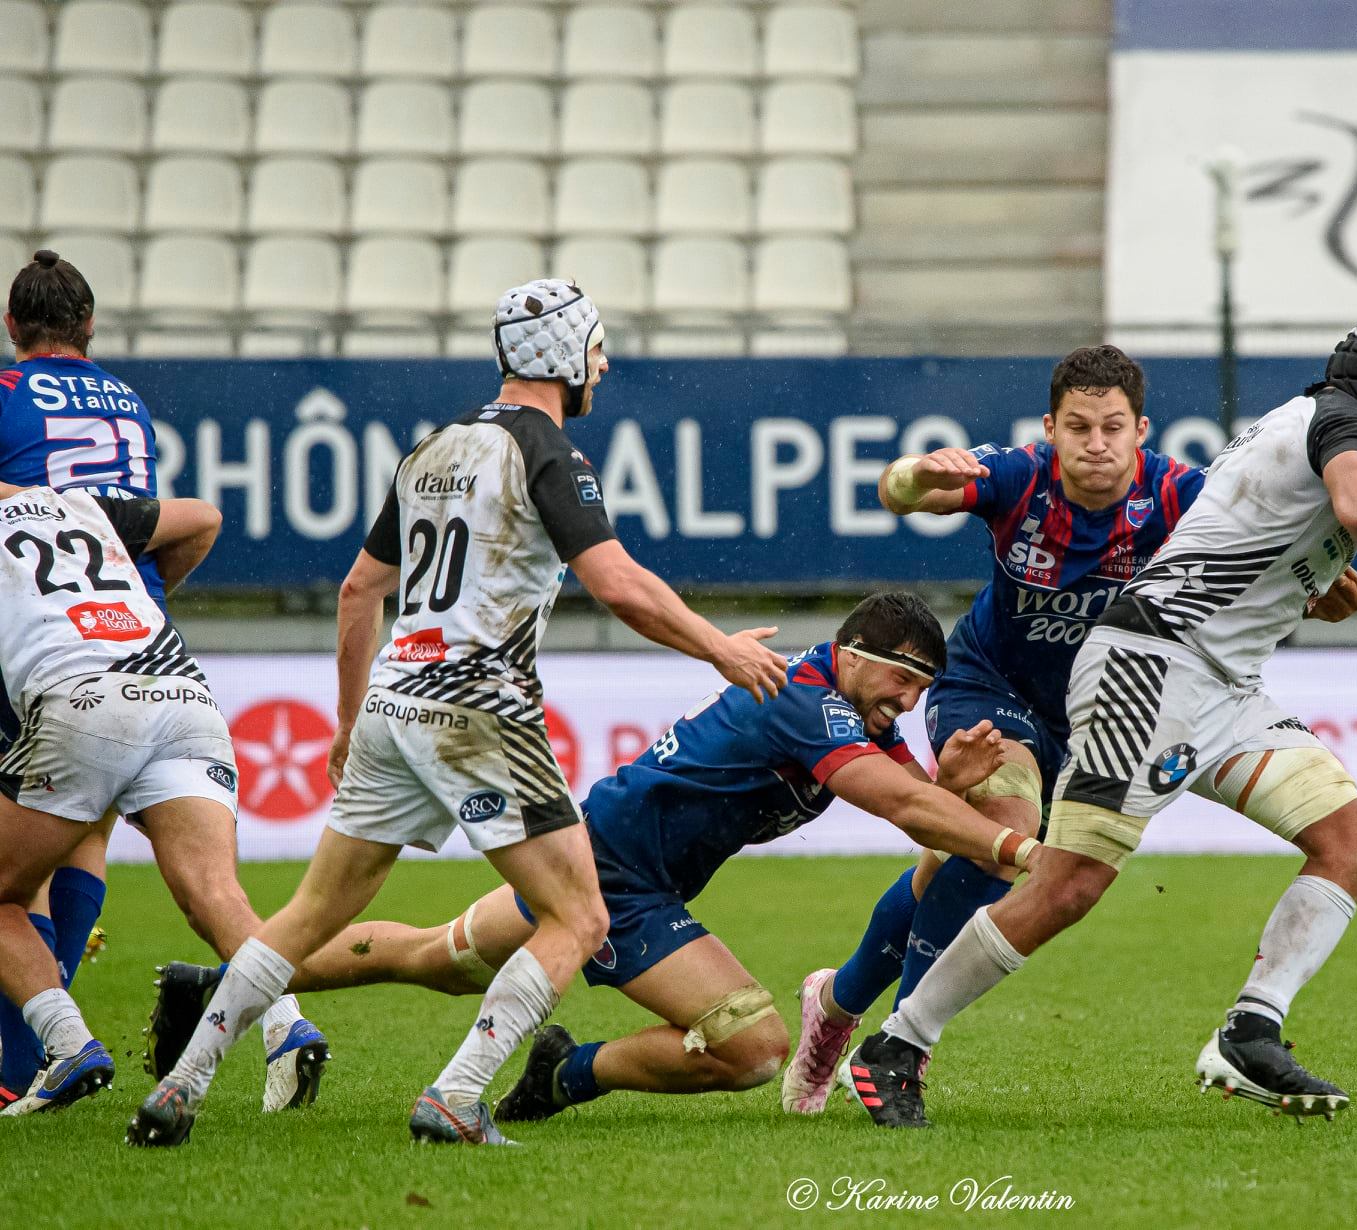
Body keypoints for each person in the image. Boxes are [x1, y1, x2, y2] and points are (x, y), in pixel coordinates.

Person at [127, 279, 787, 1148]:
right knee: (581, 919)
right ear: (560, 355)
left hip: (394, 701)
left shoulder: (430, 452)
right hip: (479, 706)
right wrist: (721, 649)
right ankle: (457, 1095)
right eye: (594, 348)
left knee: (304, 918)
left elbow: (361, 590)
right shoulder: (551, 455)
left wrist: (345, 719)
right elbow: (618, 583)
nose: (605, 364)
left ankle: (179, 1087)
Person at [844, 318, 1357, 1127]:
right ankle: (899, 1042)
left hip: (1223, 686)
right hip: (1151, 667)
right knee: (1069, 884)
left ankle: (1252, 1030)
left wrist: (1316, 574)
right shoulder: (1349, 426)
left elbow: (1266, 535)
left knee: (1354, 842)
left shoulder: (1306, 419)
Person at [158, 592, 1039, 1122]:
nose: (912, 703)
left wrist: (952, 790)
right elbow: (896, 803)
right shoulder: (806, 702)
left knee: (440, 956)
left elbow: (916, 805)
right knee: (752, 1047)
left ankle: (225, 985)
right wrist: (1011, 842)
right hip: (619, 877)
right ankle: (569, 1069)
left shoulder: (844, 706)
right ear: (853, 656)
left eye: (924, 690)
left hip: (605, 848)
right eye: (904, 682)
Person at [0, 249, 328, 1114]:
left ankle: (51, 1045)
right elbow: (193, 518)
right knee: (204, 888)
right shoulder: (128, 406)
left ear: (10, 328)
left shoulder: (7, 403)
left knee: (23, 866)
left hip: (55, 654)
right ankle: (287, 1025)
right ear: (92, 327)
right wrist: (145, 593)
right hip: (160, 656)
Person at [0, 478, 269, 1115]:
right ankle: (289, 1027)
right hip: (179, 687)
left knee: (8, 888)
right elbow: (204, 515)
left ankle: (67, 1044)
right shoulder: (81, 503)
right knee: (217, 894)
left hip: (82, 702)